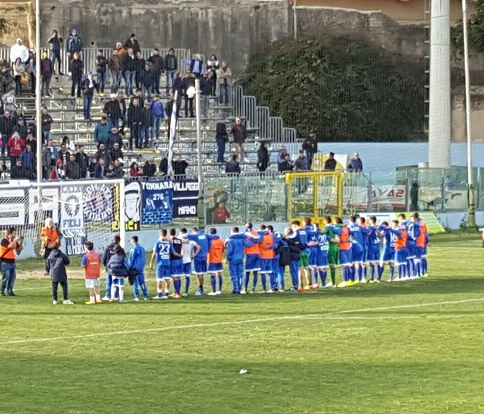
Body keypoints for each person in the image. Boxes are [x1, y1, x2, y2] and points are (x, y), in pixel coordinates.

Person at [150, 229, 174, 299]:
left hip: (160, 263)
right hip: (167, 262)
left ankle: (159, 294)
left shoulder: (157, 242)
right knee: (167, 279)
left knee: (159, 279)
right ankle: (166, 294)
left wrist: (151, 262)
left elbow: (154, 253)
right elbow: (172, 252)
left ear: (160, 233)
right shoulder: (169, 243)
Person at [0, 227, 23, 296]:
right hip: (5, 262)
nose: (15, 235)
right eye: (14, 233)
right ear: (9, 234)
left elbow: (18, 251)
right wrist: (15, 240)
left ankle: (10, 291)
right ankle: (1, 290)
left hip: (12, 262)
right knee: (6, 277)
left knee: (12, 277)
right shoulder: (4, 240)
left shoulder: (14, 242)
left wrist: (21, 243)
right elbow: (9, 246)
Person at [178, 228, 200, 297]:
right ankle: (186, 291)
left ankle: (177, 291)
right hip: (188, 260)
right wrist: (194, 255)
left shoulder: (178, 238)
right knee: (187, 276)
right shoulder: (191, 240)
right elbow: (198, 247)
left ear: (180, 232)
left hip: (181, 259)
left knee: (178, 276)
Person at [102, 235, 125, 301]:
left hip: (109, 267)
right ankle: (116, 295)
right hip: (119, 268)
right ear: (119, 240)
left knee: (109, 282)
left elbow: (104, 258)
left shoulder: (108, 247)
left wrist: (106, 265)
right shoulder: (120, 248)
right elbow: (124, 257)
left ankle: (107, 295)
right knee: (118, 282)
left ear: (113, 239)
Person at [187, 228, 209, 296]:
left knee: (198, 274)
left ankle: (200, 290)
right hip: (204, 257)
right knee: (201, 274)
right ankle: (201, 289)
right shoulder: (205, 235)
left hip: (198, 257)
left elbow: (185, 236)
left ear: (193, 231)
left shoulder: (195, 235)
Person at [128, 235, 149, 301]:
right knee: (142, 282)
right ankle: (145, 296)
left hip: (134, 268)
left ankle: (137, 296)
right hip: (141, 268)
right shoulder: (142, 248)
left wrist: (128, 267)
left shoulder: (133, 249)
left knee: (135, 283)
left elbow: (131, 259)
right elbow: (144, 258)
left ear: (132, 240)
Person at [242, 223, 262, 294]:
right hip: (257, 253)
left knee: (247, 272)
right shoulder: (256, 233)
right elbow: (260, 240)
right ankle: (253, 289)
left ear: (246, 227)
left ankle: (245, 288)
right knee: (255, 272)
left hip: (250, 254)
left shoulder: (246, 234)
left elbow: (245, 243)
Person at [226, 227, 245, 294]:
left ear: (232, 231)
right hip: (240, 258)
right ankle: (239, 288)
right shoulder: (241, 239)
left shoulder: (231, 240)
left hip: (233, 259)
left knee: (234, 274)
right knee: (240, 274)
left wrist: (228, 258)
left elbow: (230, 251)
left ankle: (235, 288)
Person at [207, 228, 224, 296]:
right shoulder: (220, 240)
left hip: (212, 259)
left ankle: (213, 291)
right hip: (219, 259)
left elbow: (207, 249)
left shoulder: (210, 241)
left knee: (213, 275)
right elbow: (223, 249)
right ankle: (219, 290)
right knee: (219, 275)